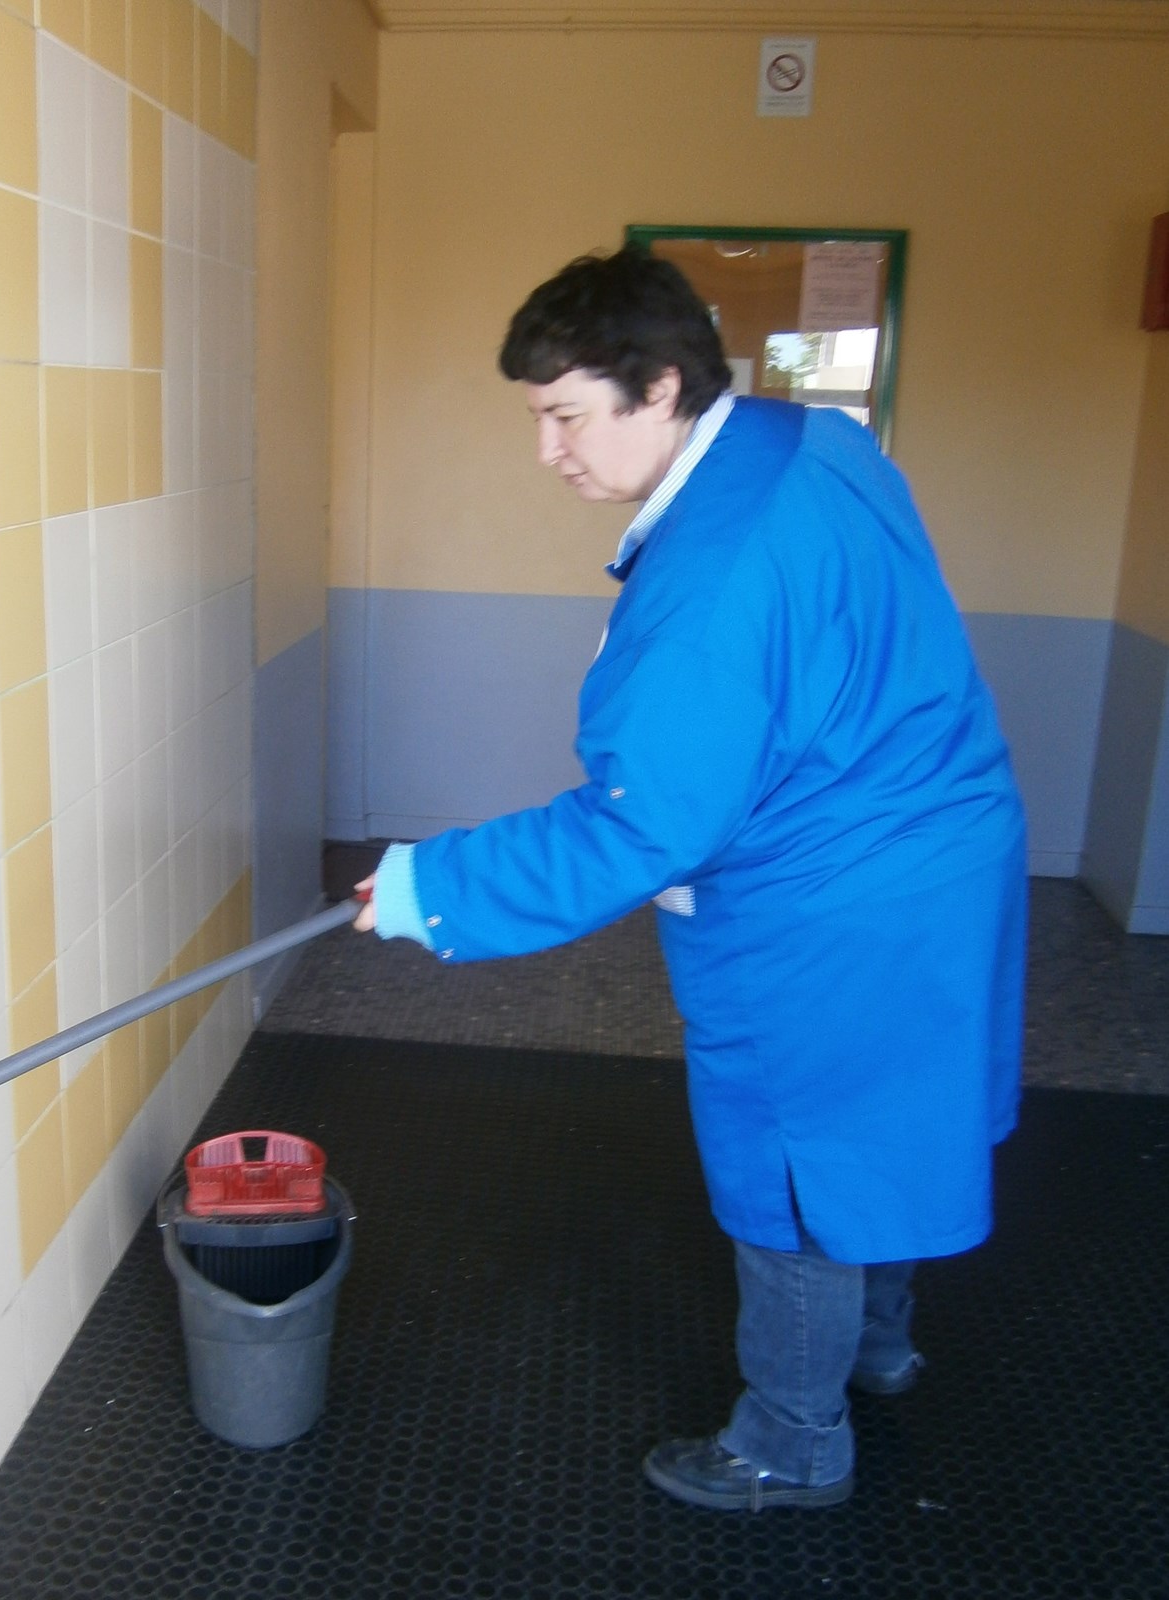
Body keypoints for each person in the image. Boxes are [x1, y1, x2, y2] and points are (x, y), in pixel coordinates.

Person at [352, 246, 1027, 1512]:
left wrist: (424, 886)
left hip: (828, 902)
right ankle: (878, 1345)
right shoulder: (808, 441)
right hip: (945, 840)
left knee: (796, 1158)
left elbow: (637, 828)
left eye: (566, 415)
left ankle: (791, 1443)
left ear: (660, 386)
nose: (547, 451)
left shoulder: (709, 585)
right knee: (888, 1109)